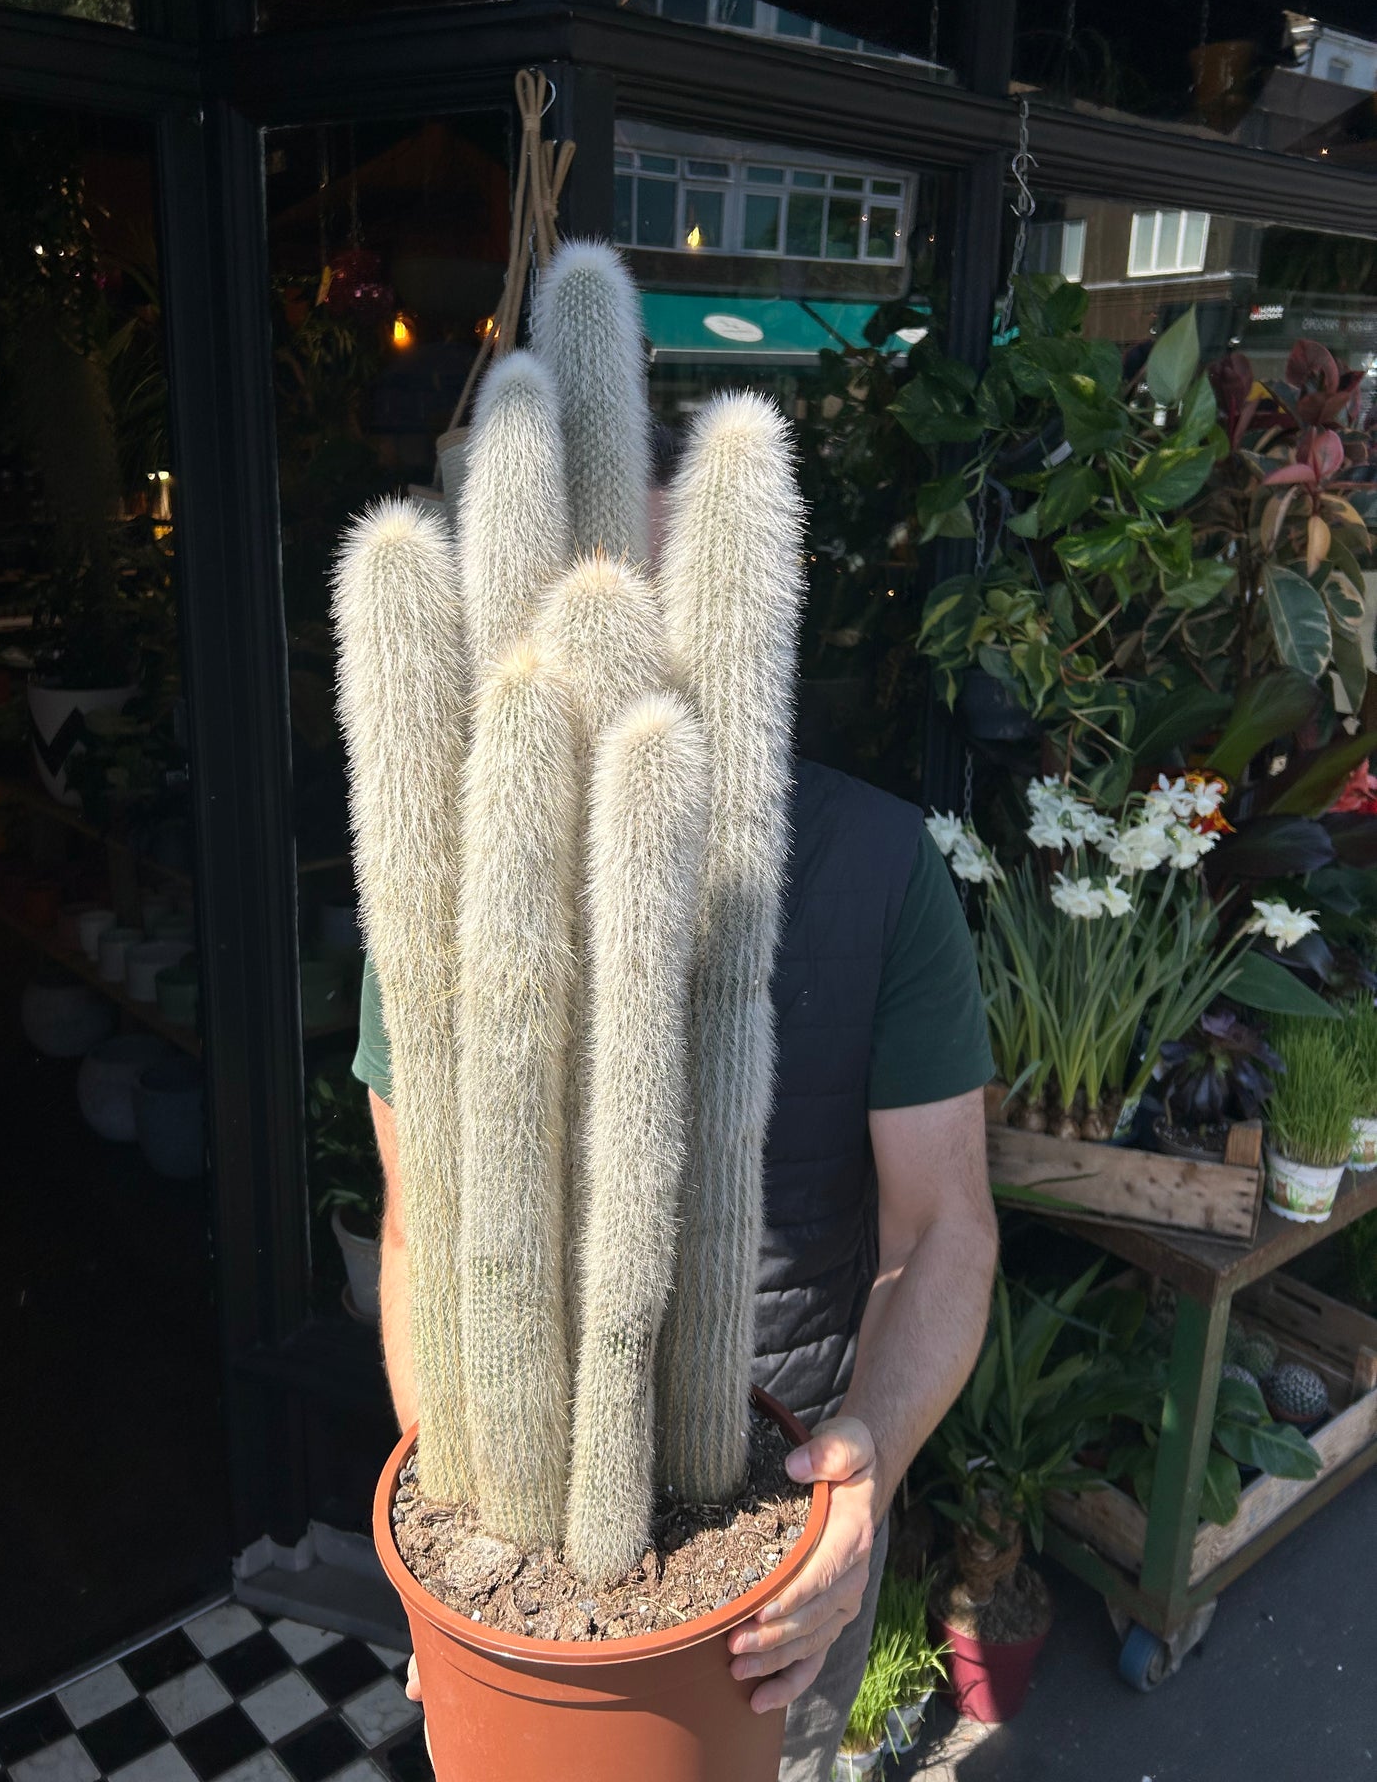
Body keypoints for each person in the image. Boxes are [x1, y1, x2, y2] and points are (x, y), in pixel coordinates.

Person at [352, 441, 999, 1782]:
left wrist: (866, 1468)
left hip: (770, 1498)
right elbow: (421, 1229)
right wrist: (451, 1495)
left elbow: (943, 1228)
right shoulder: (445, 899)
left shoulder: (877, 870)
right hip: (514, 1486)